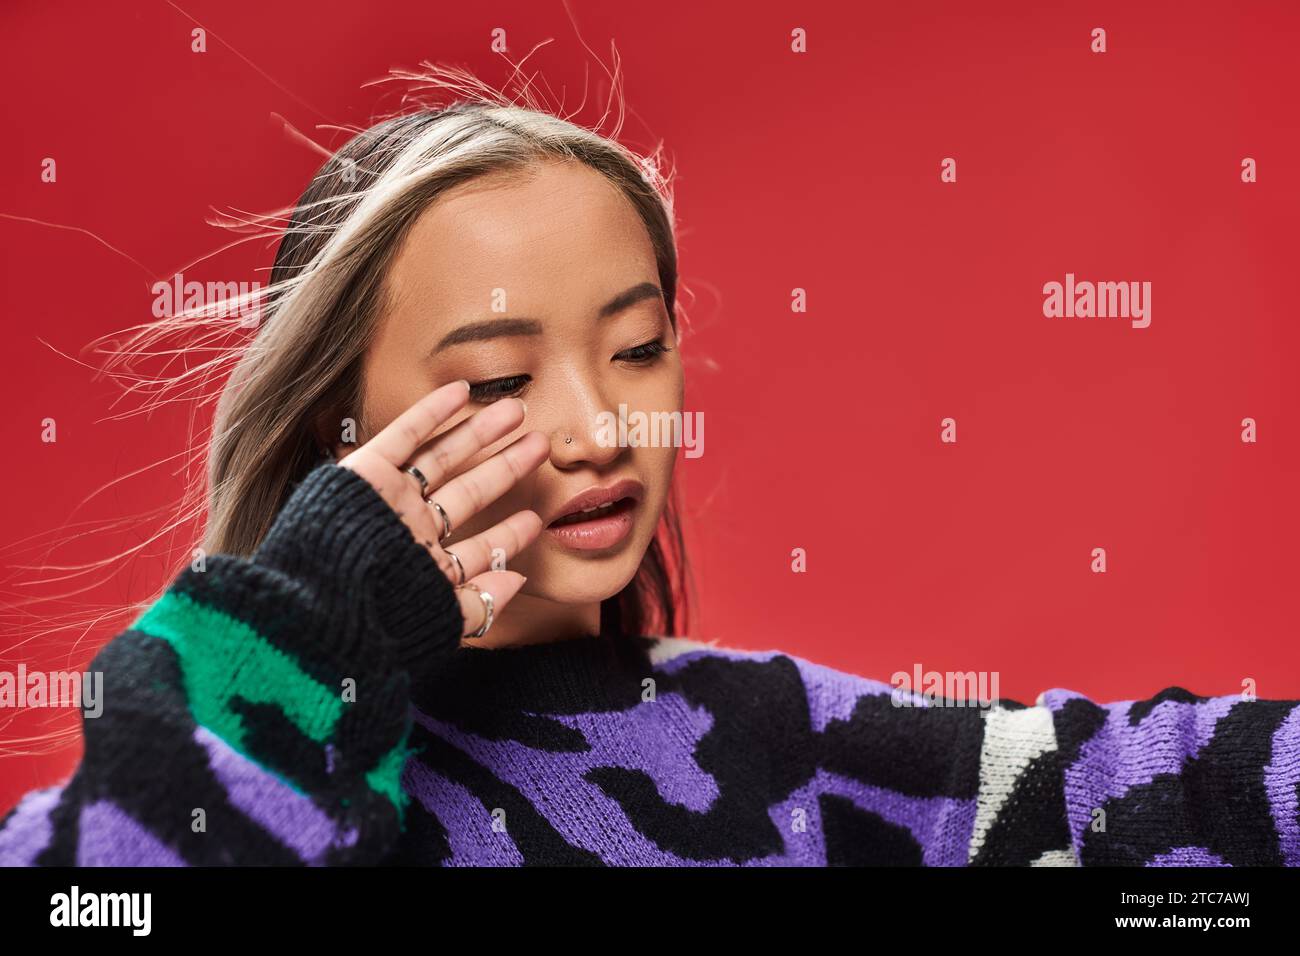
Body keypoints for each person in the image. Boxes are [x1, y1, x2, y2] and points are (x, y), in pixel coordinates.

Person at [2, 93, 1296, 867]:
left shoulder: (783, 753)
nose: (600, 428)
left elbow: (1156, 792)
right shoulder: (248, 754)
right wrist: (303, 618)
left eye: (637, 348)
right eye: (502, 378)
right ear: (344, 434)